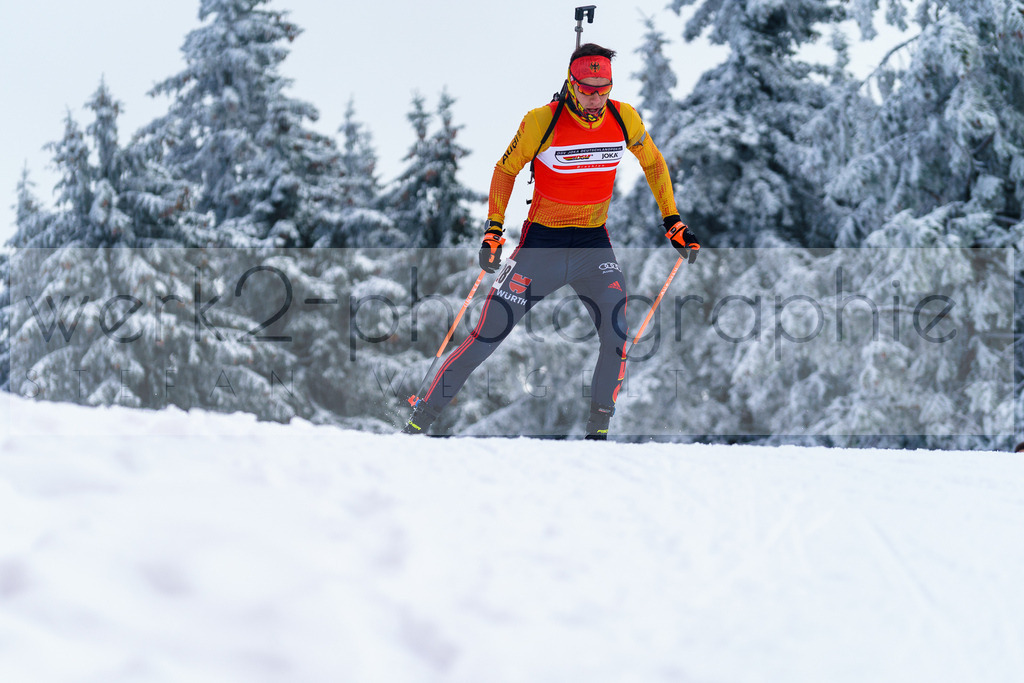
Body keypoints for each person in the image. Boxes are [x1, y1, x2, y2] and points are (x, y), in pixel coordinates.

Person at [403, 43, 699, 439]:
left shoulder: (623, 117)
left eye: (603, 88)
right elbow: (506, 170)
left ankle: (598, 433)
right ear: (571, 84)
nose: (595, 98)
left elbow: (654, 163)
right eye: (587, 88)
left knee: (616, 334)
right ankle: (420, 420)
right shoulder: (542, 121)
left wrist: (673, 222)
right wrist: (493, 229)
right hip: (540, 247)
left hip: (593, 246)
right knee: (486, 336)